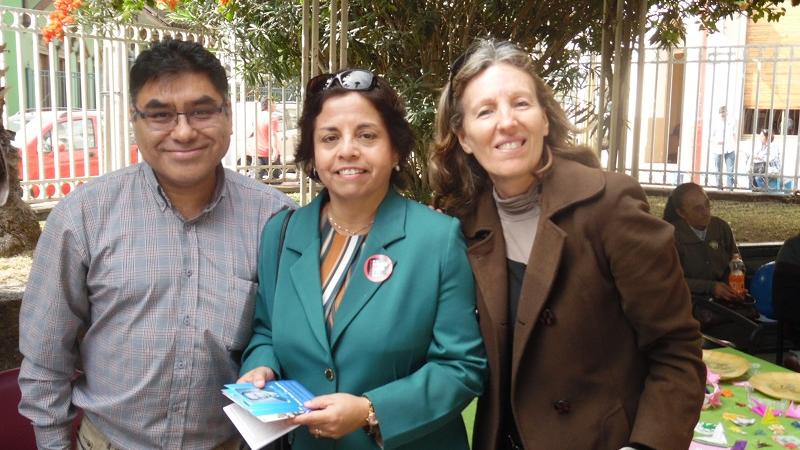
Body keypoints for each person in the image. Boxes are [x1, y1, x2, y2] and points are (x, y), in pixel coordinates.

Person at [18, 39, 295, 450]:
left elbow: (283, 343)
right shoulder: (83, 218)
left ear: (229, 115)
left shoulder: (274, 219)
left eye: (201, 111)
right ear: (135, 121)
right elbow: (45, 361)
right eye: (160, 115)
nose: (183, 131)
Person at [429, 39, 705, 450]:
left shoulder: (611, 205)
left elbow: (677, 352)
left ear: (544, 118)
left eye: (520, 104)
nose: (506, 122)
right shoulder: (461, 223)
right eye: (485, 111)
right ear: (464, 137)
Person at [238, 69, 486, 450]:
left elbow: (461, 367)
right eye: (330, 137)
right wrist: (260, 365)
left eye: (367, 135)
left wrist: (372, 410)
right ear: (313, 153)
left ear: (396, 151)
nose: (347, 150)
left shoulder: (435, 239)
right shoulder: (282, 234)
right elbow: (266, 331)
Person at [663, 182, 759, 337]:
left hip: (725, 303)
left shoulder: (720, 227)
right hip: (690, 307)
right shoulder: (671, 235)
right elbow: (670, 281)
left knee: (749, 329)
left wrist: (735, 286)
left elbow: (736, 262)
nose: (705, 212)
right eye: (697, 208)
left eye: (707, 204)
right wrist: (711, 287)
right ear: (681, 213)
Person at [710, 105, 739, 189]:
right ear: (719, 114)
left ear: (727, 113)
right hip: (718, 149)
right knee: (718, 170)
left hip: (729, 149)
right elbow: (710, 136)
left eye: (724, 113)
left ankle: (730, 189)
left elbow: (734, 134)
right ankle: (719, 188)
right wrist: (716, 141)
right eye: (721, 113)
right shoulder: (715, 123)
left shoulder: (732, 122)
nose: (723, 115)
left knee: (730, 171)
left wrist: (735, 145)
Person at [256, 97, 282, 179]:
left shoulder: (257, 117)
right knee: (275, 180)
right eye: (274, 102)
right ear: (269, 104)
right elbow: (273, 135)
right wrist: (275, 151)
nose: (275, 105)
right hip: (270, 153)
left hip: (259, 152)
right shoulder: (272, 118)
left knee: (258, 180)